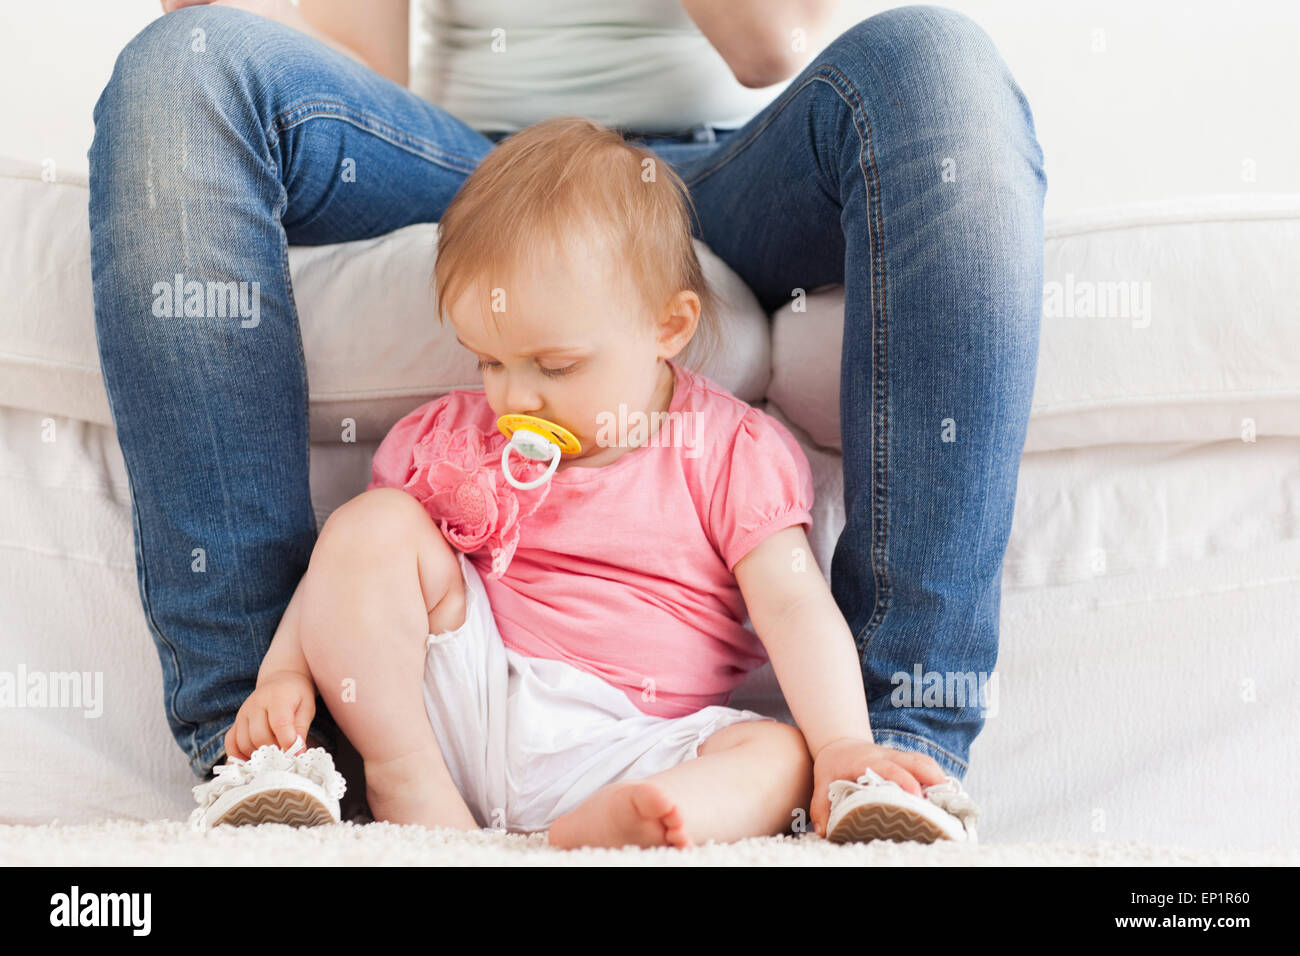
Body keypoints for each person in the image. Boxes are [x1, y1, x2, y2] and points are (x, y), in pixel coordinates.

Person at [88, 0, 1045, 840]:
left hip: (724, 168)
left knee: (936, 58)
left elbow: (770, 44)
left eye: (550, 366)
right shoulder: (462, 432)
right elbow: (359, 64)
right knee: (191, 60)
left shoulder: (726, 454)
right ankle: (274, 748)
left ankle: (880, 762)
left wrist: (832, 739)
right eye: (495, 365)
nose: (513, 394)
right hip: (478, 171)